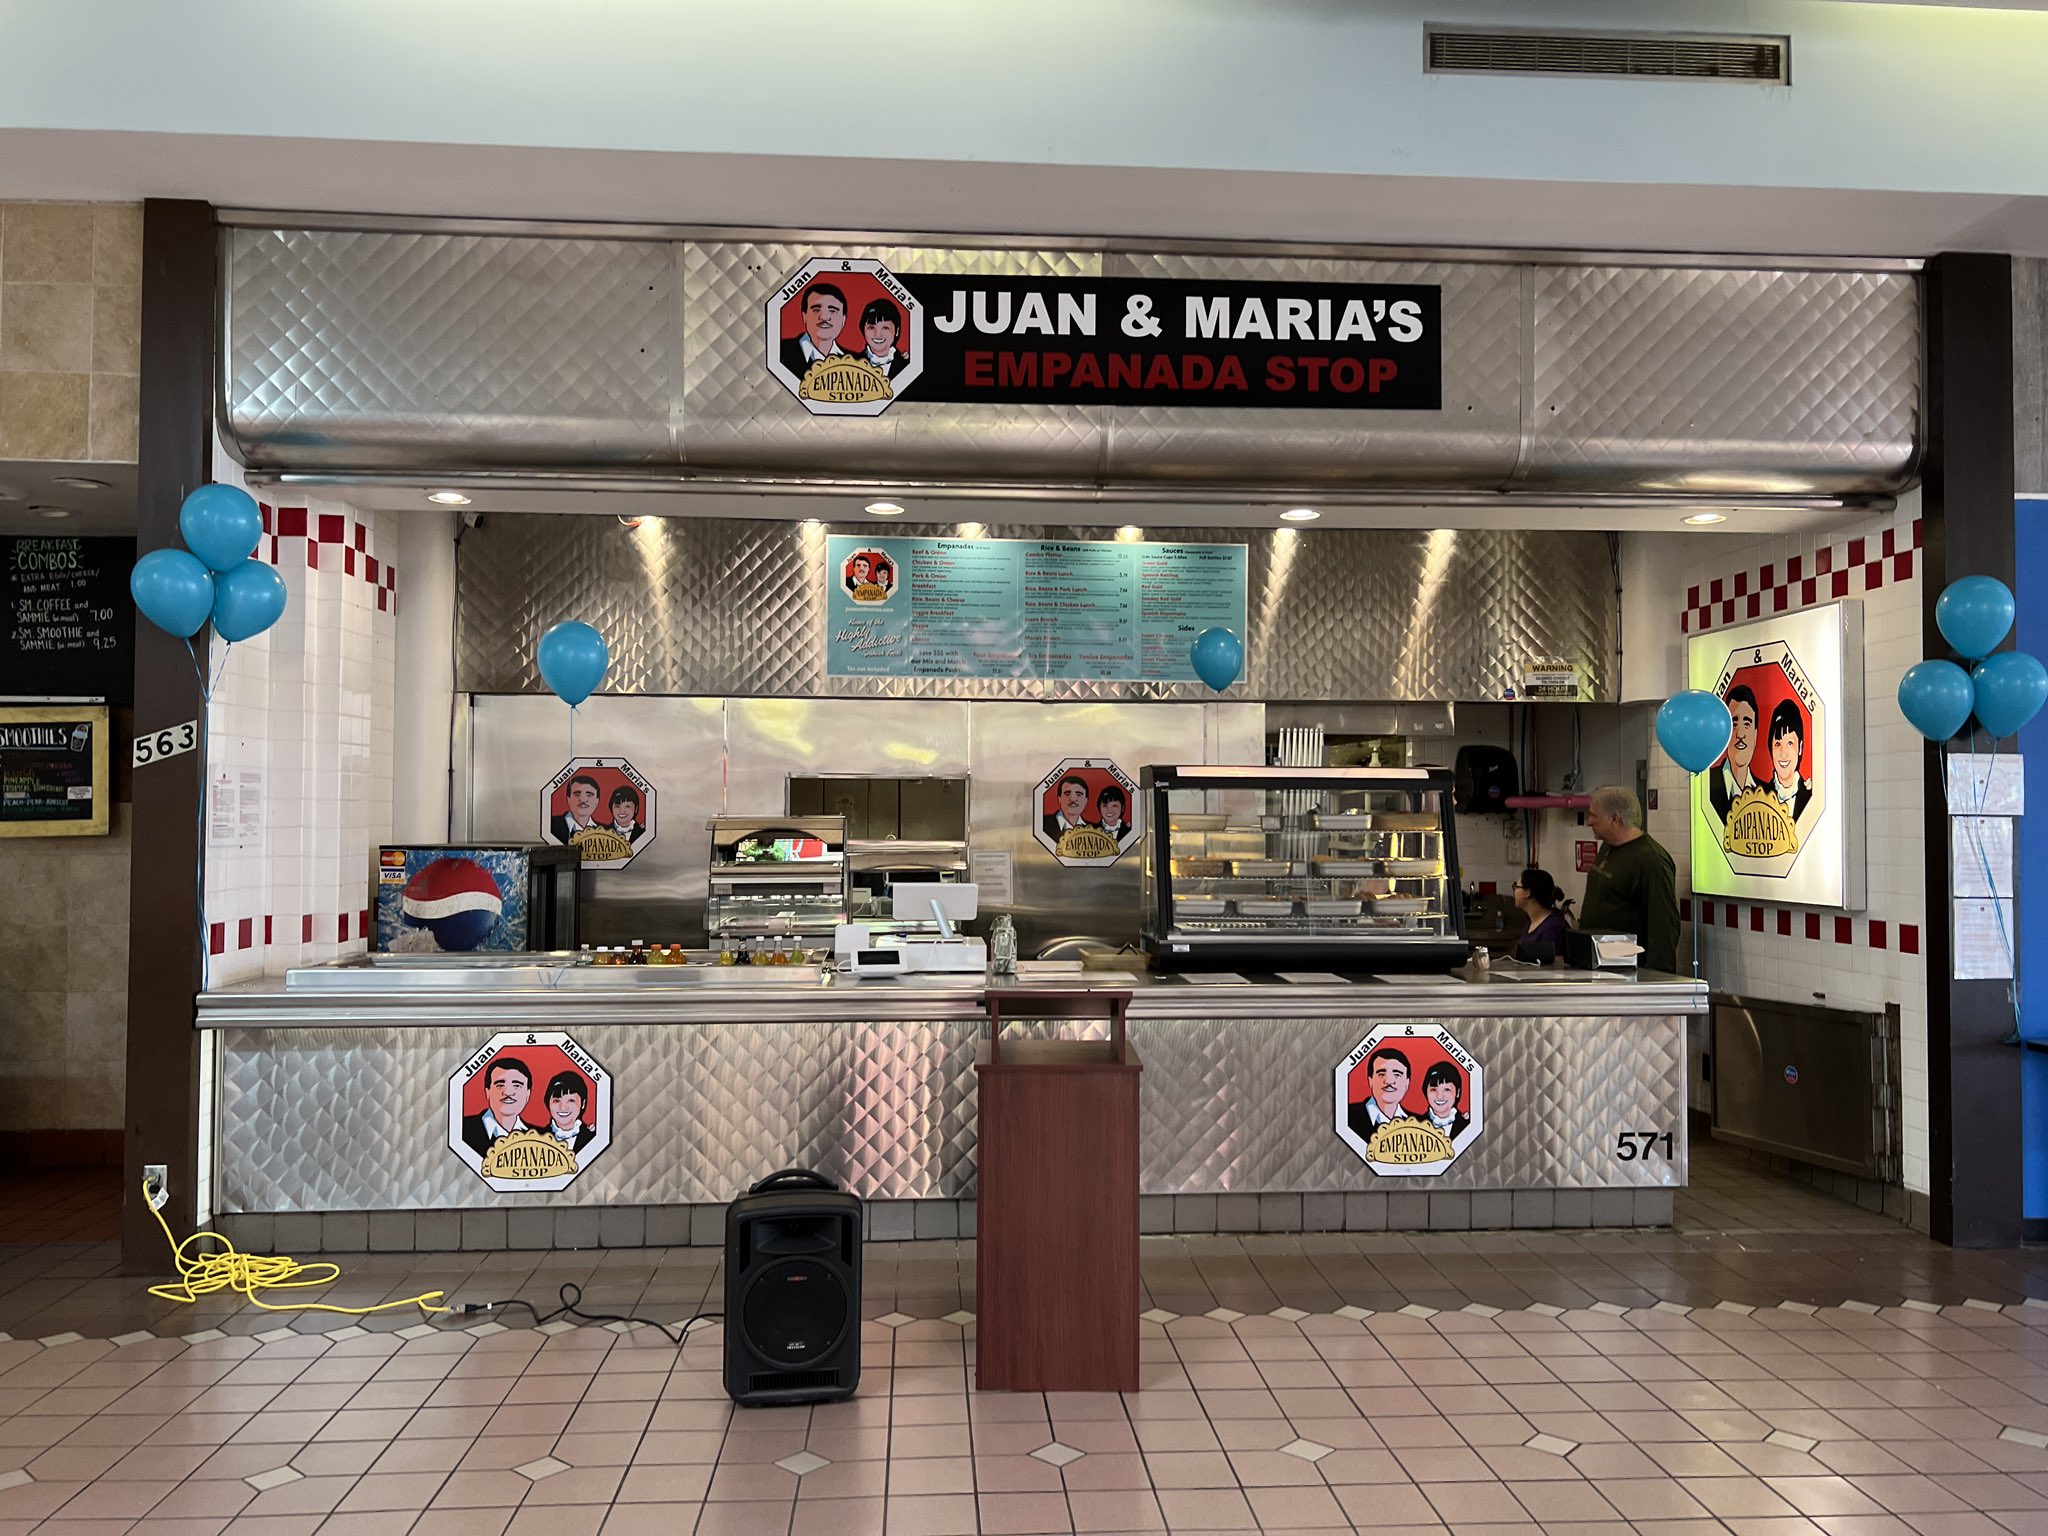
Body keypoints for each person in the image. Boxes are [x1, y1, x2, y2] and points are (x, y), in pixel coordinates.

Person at [1578, 784, 1680, 974]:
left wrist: (1657, 978)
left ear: (1615, 819)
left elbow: (1663, 925)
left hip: (1628, 969)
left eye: (1593, 815)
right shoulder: (1608, 847)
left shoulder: (1650, 860)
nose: (1588, 822)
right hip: (1599, 964)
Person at [461, 1057, 535, 1155]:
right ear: (487, 1092)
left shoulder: (540, 1136)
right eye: (500, 1085)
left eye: (517, 1085)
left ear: (527, 1094)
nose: (508, 1092)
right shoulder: (462, 1129)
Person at [1708, 685, 1761, 820]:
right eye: (1734, 725)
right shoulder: (1707, 785)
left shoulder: (1766, 792)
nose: (1740, 734)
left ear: (1755, 735)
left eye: (1747, 724)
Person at [779, 281, 850, 376]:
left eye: (833, 311)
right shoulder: (780, 351)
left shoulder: (856, 361)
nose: (824, 317)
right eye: (816, 310)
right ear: (804, 316)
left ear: (843, 319)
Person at [1347, 1046, 1414, 1140]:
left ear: (1407, 1082)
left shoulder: (1419, 1123)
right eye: (1381, 1074)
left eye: (1397, 1075)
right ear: (1370, 1080)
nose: (1389, 1081)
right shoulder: (1346, 1115)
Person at [1768, 699, 1813, 821]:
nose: (1783, 754)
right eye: (1778, 744)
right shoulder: (1760, 795)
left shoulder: (1811, 796)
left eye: (1789, 743)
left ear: (1800, 748)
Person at [1511, 868, 1573, 953]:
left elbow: (1553, 961)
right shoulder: (1531, 921)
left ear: (1527, 893)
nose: (1514, 891)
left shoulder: (1552, 928)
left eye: (1516, 887)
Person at [543, 1069, 597, 1157]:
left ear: (583, 1103)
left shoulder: (593, 1137)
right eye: (556, 1101)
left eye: (571, 1100)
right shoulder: (537, 1137)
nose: (563, 1107)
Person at [859, 296, 911, 379]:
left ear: (897, 331)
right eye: (871, 327)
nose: (878, 335)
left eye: (885, 328)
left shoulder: (907, 364)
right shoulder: (853, 363)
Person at [1419, 1061, 1470, 1141]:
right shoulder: (1416, 1125)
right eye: (1433, 1089)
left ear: (1458, 1092)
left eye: (1447, 1089)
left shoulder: (1467, 1124)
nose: (1439, 1096)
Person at [549, 774, 602, 844]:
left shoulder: (605, 831)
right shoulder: (551, 825)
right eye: (577, 795)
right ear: (568, 799)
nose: (583, 800)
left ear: (597, 801)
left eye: (589, 795)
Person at [1043, 774, 1095, 840]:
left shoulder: (1094, 830)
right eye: (1067, 794)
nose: (1073, 799)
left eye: (1079, 794)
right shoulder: (1042, 824)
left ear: (1086, 800)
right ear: (1059, 798)